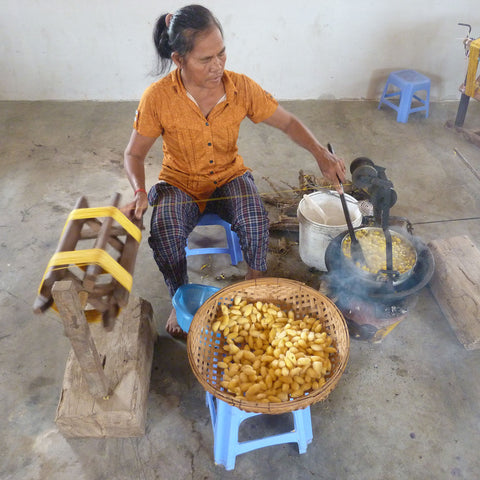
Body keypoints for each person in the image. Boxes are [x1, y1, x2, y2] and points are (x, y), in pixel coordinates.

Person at [123, 4, 346, 338]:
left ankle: (253, 284)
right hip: (180, 182)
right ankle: (180, 295)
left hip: (228, 177)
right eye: (205, 60)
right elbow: (134, 154)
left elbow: (287, 122)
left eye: (222, 54)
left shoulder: (240, 88)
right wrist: (140, 192)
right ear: (179, 60)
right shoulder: (158, 98)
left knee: (256, 221)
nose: (218, 67)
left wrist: (320, 154)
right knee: (165, 232)